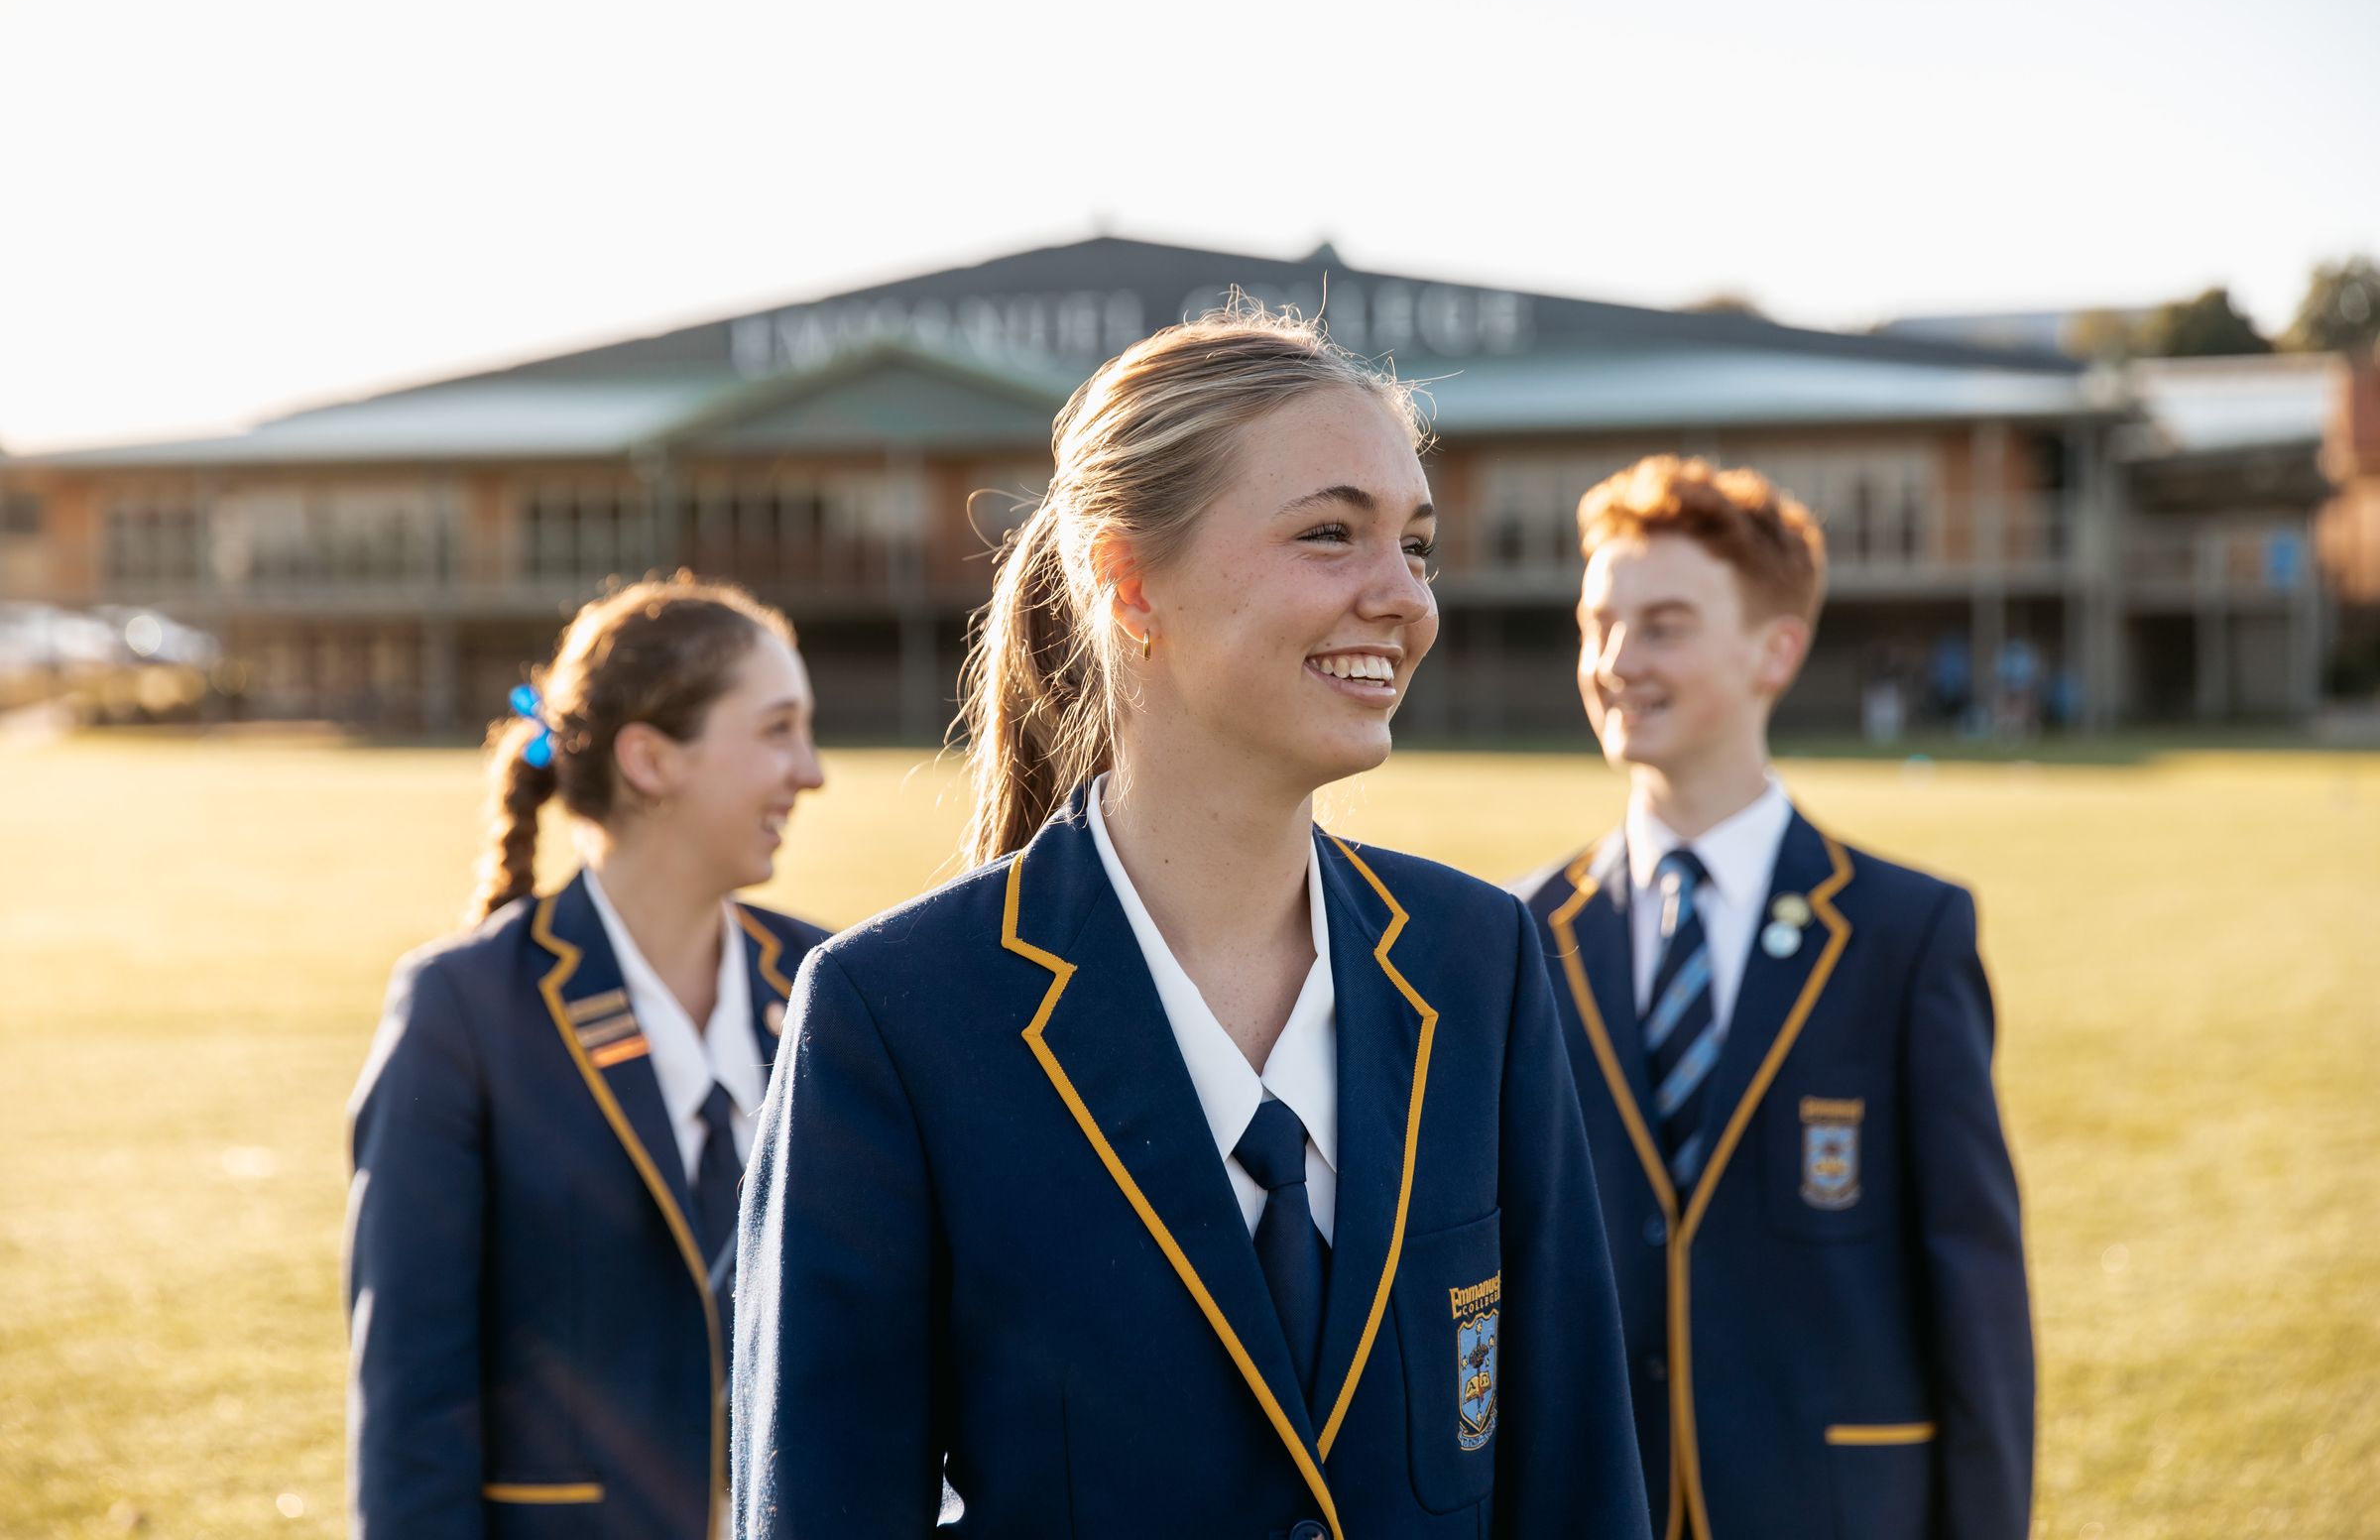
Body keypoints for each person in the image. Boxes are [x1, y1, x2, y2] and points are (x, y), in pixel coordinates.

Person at [732, 307, 1650, 1540]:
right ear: (1129, 581)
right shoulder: (894, 1019)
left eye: (1417, 547)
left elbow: (1577, 1485)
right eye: (1331, 533)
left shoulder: (1480, 963)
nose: (1403, 598)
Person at [1513, 456, 2034, 1540]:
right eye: (1595, 622)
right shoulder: (1522, 934)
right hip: (1594, 1501)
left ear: (1776, 650)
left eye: (1662, 626)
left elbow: (1973, 1289)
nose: (1615, 661)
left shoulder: (1905, 933)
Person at [345, 575, 831, 1539]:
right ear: (651, 759)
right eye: (777, 730)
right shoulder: (462, 1009)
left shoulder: (832, 983)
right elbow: (413, 1393)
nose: (810, 771)